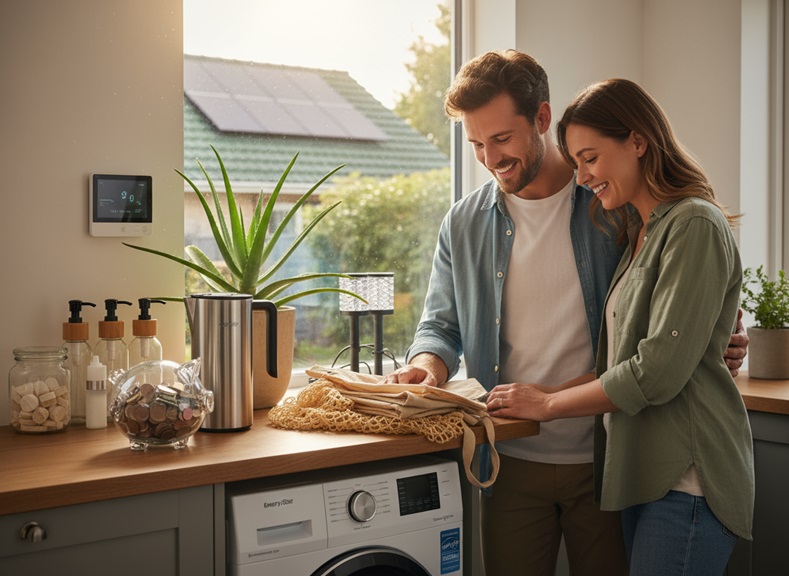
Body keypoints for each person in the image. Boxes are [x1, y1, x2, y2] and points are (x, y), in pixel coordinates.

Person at [383, 50, 749, 576]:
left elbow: (676, 314)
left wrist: (724, 337)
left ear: (541, 119)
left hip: (611, 458)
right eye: (476, 145)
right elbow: (441, 326)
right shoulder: (462, 224)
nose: (490, 158)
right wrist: (427, 365)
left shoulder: (613, 206)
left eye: (502, 139)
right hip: (509, 454)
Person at [484, 78, 754, 574]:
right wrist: (537, 394)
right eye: (576, 160)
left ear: (637, 141)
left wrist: (546, 404)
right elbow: (620, 364)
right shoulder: (638, 233)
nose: (582, 175)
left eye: (590, 157)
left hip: (689, 480)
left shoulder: (693, 222)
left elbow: (656, 371)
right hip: (645, 477)